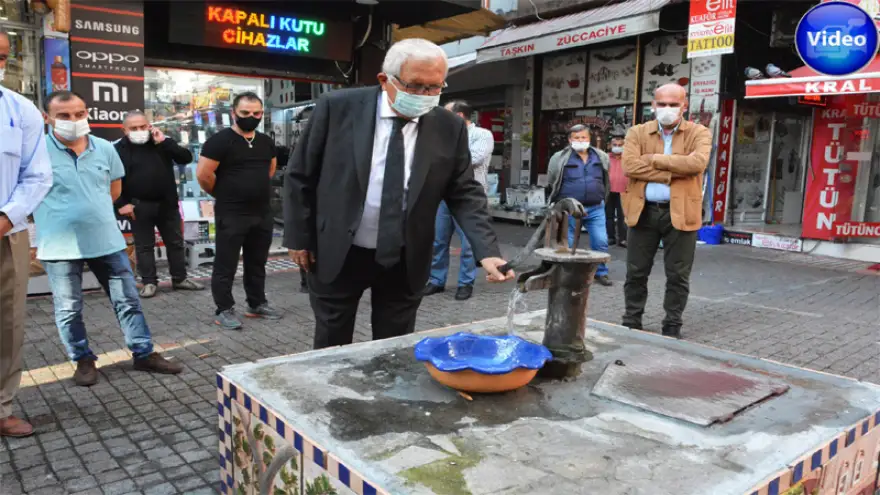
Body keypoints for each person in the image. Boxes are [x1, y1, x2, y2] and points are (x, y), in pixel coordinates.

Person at [285, 38, 513, 350]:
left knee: (394, 345)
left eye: (436, 87)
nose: (427, 96)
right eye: (416, 86)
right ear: (385, 80)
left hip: (405, 254)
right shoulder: (338, 108)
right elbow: (300, 174)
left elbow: (464, 192)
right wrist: (299, 237)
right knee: (331, 340)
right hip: (339, 248)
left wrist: (487, 251)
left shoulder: (449, 126)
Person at [35, 91, 183, 386]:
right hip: (59, 245)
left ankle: (143, 353)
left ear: (87, 112)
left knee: (128, 300)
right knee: (68, 308)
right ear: (47, 118)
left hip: (106, 240)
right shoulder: (35, 151)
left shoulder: (104, 148)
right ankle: (83, 359)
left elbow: (114, 191)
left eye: (79, 114)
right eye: (63, 116)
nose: (73, 121)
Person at [621, 83, 711, 339]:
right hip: (643, 212)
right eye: (662, 104)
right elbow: (629, 167)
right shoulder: (637, 132)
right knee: (636, 272)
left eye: (673, 104)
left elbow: (696, 163)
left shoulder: (699, 132)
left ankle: (672, 325)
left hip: (682, 213)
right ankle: (631, 321)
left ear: (685, 106)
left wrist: (652, 159)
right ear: (653, 105)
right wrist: (674, 174)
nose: (667, 109)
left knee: (678, 276)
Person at [0, 27, 53, 437]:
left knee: (8, 323)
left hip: (6, 232)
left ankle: (2, 406)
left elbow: (37, 175)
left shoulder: (21, 111)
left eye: (1, 56)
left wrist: (5, 217)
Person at [197, 92, 281, 329]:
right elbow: (204, 175)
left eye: (256, 113)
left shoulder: (265, 141)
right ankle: (223, 309)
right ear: (234, 113)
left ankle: (257, 303)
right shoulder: (219, 141)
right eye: (245, 113)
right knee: (226, 264)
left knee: (257, 262)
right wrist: (224, 194)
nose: (251, 117)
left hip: (262, 213)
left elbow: (270, 170)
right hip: (232, 214)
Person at [115, 111, 204, 297]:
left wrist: (165, 141)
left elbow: (185, 158)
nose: (139, 131)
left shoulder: (161, 143)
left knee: (175, 243)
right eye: (134, 128)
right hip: (138, 206)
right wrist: (122, 204)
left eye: (143, 126)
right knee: (144, 246)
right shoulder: (117, 149)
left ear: (149, 125)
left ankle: (179, 279)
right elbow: (111, 179)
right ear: (124, 130)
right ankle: (149, 282)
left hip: (167, 203)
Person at [423, 100, 494, 301]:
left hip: (469, 198)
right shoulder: (442, 135)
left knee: (468, 244)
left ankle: (465, 283)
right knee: (438, 240)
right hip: (442, 195)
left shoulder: (482, 135)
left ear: (459, 116)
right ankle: (436, 280)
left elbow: (475, 158)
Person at [545, 124, 612, 287]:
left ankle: (600, 272)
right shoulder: (559, 158)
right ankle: (568, 272)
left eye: (583, 137)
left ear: (590, 139)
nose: (580, 141)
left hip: (596, 207)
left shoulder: (601, 156)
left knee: (601, 240)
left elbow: (605, 177)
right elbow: (552, 179)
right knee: (567, 242)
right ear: (569, 140)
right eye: (576, 138)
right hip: (570, 209)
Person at [606, 133, 628, 247]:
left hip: (624, 191)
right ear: (610, 145)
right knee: (608, 215)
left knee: (622, 216)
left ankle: (623, 239)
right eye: (615, 144)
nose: (617, 146)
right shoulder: (605, 157)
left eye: (620, 145)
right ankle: (610, 237)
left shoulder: (628, 158)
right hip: (608, 191)